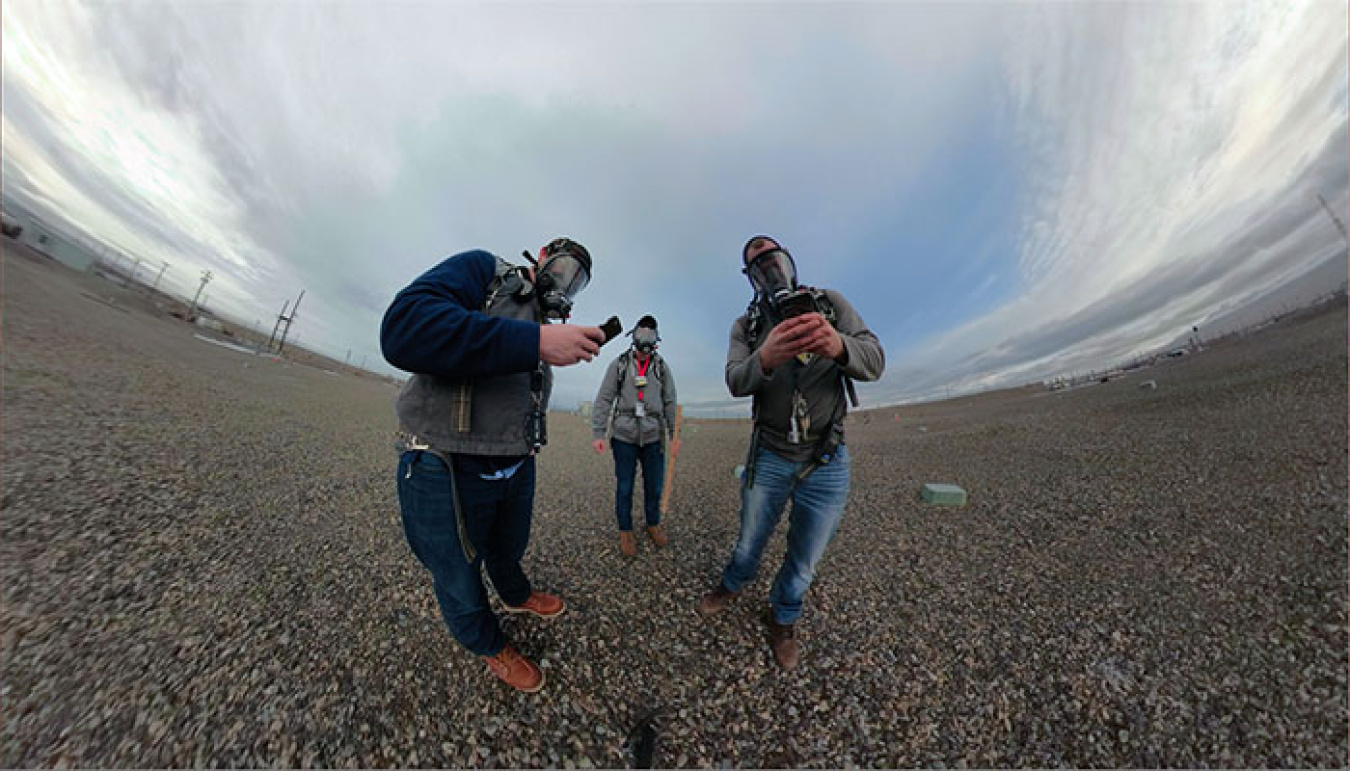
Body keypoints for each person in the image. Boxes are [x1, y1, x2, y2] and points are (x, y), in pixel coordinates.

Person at [380, 237, 605, 693]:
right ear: (542, 256)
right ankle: (488, 644)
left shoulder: (540, 321)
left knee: (509, 546)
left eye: (577, 280)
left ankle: (515, 594)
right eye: (563, 267)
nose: (566, 281)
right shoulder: (484, 272)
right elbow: (403, 328)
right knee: (456, 573)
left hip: (515, 464)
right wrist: (537, 341)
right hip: (443, 463)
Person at [698, 235, 885, 670]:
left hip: (826, 457)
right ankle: (733, 583)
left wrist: (837, 346)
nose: (769, 270)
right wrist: (765, 358)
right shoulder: (745, 327)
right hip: (770, 455)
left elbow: (874, 359)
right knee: (749, 540)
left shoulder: (831, 304)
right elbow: (734, 380)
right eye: (757, 266)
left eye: (773, 259)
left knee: (805, 559)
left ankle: (784, 618)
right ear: (750, 279)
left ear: (790, 262)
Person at [590, 315, 681, 556]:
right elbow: (604, 399)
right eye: (640, 348)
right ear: (634, 342)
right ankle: (625, 530)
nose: (643, 353)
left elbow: (670, 402)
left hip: (653, 437)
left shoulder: (661, 367)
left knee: (654, 486)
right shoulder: (619, 365)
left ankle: (653, 523)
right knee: (625, 487)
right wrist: (599, 433)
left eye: (648, 349)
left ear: (655, 345)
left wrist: (675, 434)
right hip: (624, 436)